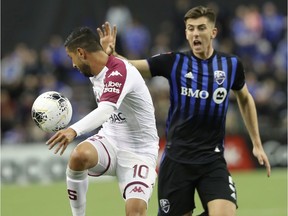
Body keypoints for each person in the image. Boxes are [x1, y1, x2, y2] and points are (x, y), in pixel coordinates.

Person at [97, 5, 271, 216]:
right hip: (177, 160)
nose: (195, 33)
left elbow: (245, 98)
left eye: (201, 28)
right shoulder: (175, 62)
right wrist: (112, 54)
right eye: (190, 29)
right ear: (186, 33)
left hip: (212, 160)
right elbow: (130, 67)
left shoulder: (231, 65)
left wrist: (257, 143)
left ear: (213, 32)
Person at [46, 26, 159, 216]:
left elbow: (106, 110)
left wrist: (73, 130)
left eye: (71, 56)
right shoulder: (95, 69)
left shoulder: (120, 71)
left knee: (135, 212)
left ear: (81, 53)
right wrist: (108, 52)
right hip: (110, 141)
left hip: (139, 152)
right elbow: (103, 60)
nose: (72, 64)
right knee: (78, 156)